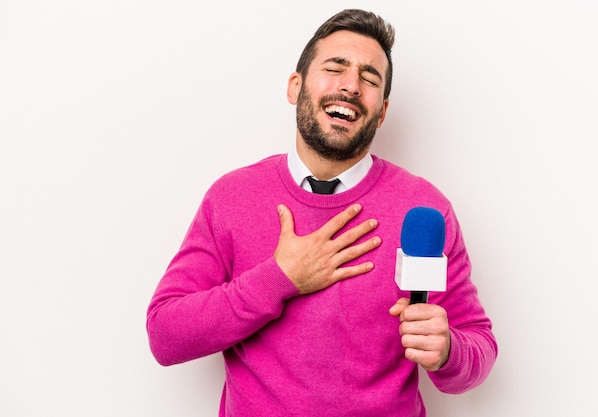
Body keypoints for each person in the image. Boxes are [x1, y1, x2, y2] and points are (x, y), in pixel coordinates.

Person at [147, 9, 497, 417]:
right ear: (295, 87)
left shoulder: (424, 208)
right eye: (335, 68)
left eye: (369, 79)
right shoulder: (231, 197)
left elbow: (478, 345)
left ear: (381, 112)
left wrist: (448, 351)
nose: (350, 86)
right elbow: (166, 336)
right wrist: (280, 278)